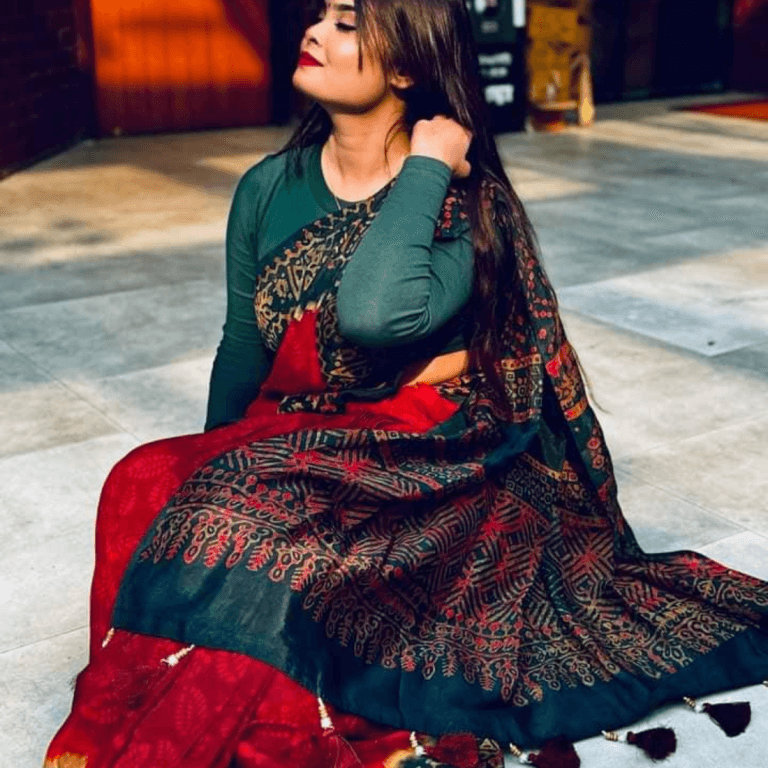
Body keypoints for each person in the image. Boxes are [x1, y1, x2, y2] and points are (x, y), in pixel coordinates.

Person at [44, 1, 768, 766]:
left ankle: (266, 713)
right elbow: (243, 344)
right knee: (148, 481)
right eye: (320, 14)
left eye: (347, 22)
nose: (314, 30)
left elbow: (375, 315)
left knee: (258, 536)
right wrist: (217, 461)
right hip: (299, 428)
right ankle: (157, 688)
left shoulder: (464, 203)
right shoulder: (266, 187)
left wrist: (425, 167)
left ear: (405, 66)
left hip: (434, 457)